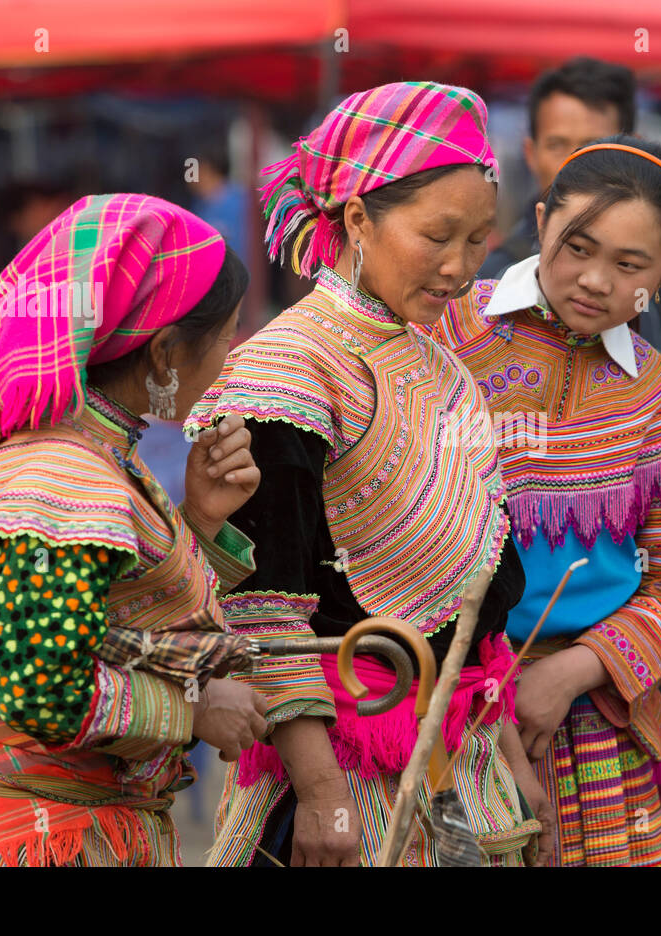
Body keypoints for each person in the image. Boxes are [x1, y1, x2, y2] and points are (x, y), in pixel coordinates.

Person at [0, 194, 269, 866]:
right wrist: (193, 710)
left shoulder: (95, 456)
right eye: (226, 334)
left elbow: (113, 610)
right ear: (163, 354)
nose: (234, 356)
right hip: (27, 840)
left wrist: (201, 518)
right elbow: (42, 687)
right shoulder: (56, 479)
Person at [189, 81, 538, 868]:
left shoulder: (437, 356)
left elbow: (480, 583)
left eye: (480, 240)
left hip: (461, 754)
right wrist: (320, 795)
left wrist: (506, 743)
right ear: (357, 218)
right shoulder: (290, 370)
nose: (459, 267)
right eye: (437, 236)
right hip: (350, 772)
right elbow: (265, 602)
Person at [425, 135, 661, 865]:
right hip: (434, 697)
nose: (594, 281)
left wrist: (574, 670)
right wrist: (481, 678)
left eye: (629, 266)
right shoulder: (443, 330)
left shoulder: (660, 399)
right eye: (577, 248)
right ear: (539, 222)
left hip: (583, 720)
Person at [478, 58, 661, 353]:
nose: (573, 163)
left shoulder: (642, 278)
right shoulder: (490, 276)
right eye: (557, 145)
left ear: (634, 151)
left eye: (593, 147)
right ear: (531, 153)